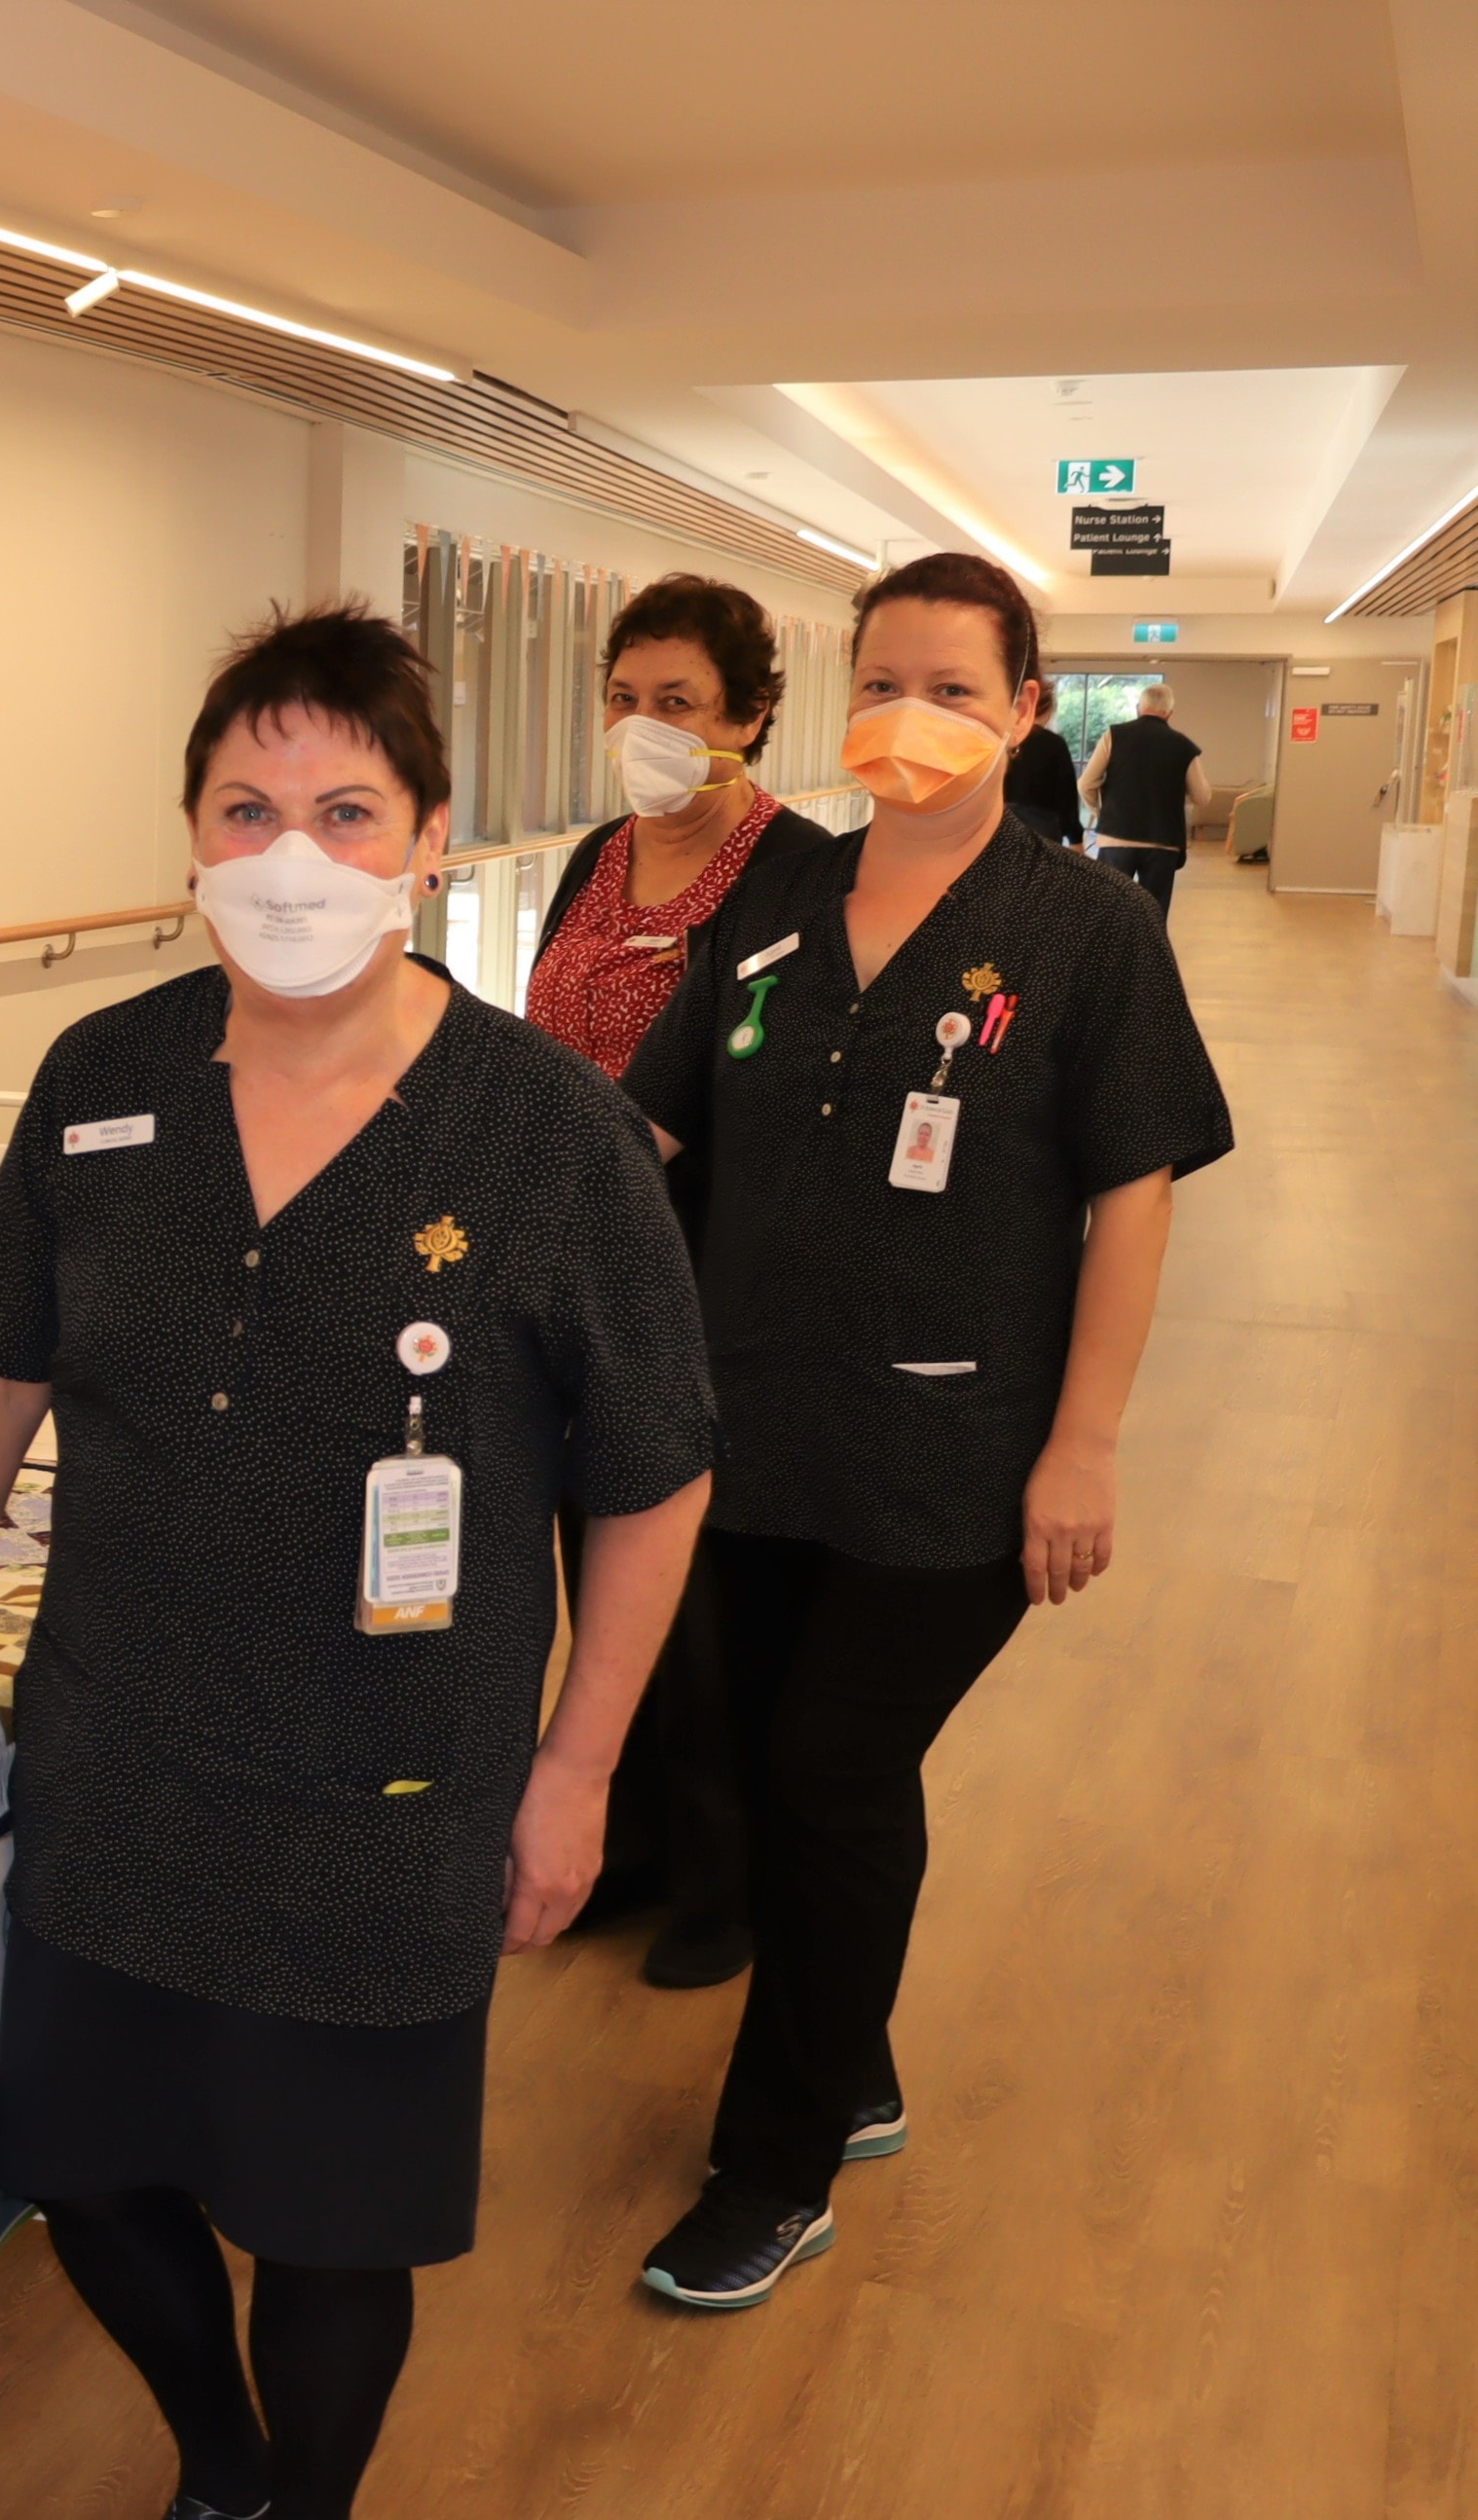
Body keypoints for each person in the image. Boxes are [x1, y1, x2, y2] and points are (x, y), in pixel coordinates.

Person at [0, 605, 718, 2520]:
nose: (290, 857)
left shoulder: (548, 1134)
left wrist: (577, 1764)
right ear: (186, 838)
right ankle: (223, 2461)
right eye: (245, 807)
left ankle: (302, 2507)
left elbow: (653, 1479)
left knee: (335, 2230)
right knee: (89, 2168)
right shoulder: (106, 1080)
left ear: (429, 838)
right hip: (126, 1758)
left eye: (345, 810)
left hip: (394, 1785)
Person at [621, 554, 1232, 2312]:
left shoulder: (1083, 929)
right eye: (882, 677)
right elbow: (660, 1119)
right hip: (743, 1421)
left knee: (827, 1765)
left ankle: (777, 2160)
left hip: (951, 1450)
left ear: (1025, 711)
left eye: (954, 686)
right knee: (772, 1759)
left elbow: (1131, 1194)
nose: (912, 711)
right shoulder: (778, 890)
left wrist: (1085, 1443)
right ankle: (849, 2054)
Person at [523, 573, 835, 1991]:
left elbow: (767, 1081)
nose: (642, 727)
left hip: (704, 1270)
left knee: (698, 1595)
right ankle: (626, 1842)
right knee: (599, 1572)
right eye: (626, 699)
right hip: (567, 1266)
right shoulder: (596, 854)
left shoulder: (794, 870)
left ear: (749, 719)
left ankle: (726, 1880)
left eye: (678, 705)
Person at [1079, 678, 1210, 918]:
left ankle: (1111, 955)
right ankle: (1148, 955)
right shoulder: (1184, 746)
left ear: (1139, 707)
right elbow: (1202, 797)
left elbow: (1086, 783)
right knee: (1153, 914)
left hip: (1116, 839)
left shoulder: (1114, 735)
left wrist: (1101, 812)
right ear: (1170, 713)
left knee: (1111, 912)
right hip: (1163, 842)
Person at [1000, 696, 1086, 846]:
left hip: (1000, 824)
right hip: (1043, 828)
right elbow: (1066, 795)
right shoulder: (1054, 743)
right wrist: (1075, 837)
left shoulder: (1002, 739)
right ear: (1047, 711)